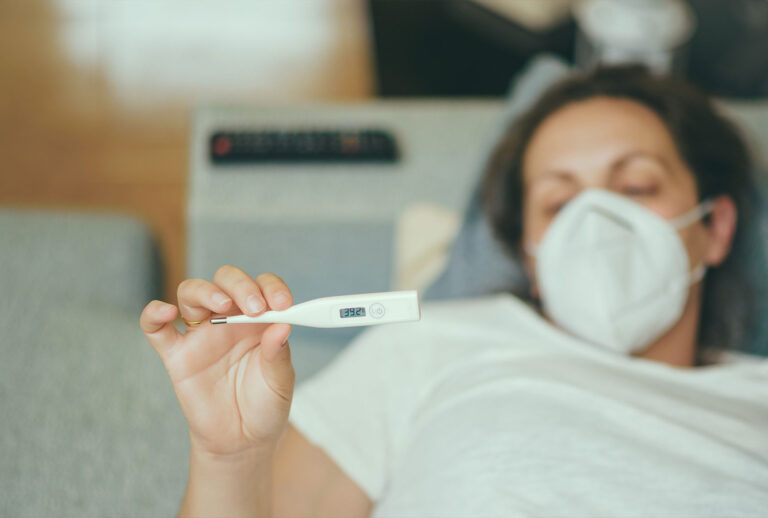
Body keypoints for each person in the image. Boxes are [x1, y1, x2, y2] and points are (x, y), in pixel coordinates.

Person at [140, 65, 768, 517]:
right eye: (560, 202)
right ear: (530, 255)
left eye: (635, 188)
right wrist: (230, 459)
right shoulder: (435, 343)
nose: (596, 224)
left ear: (714, 227)